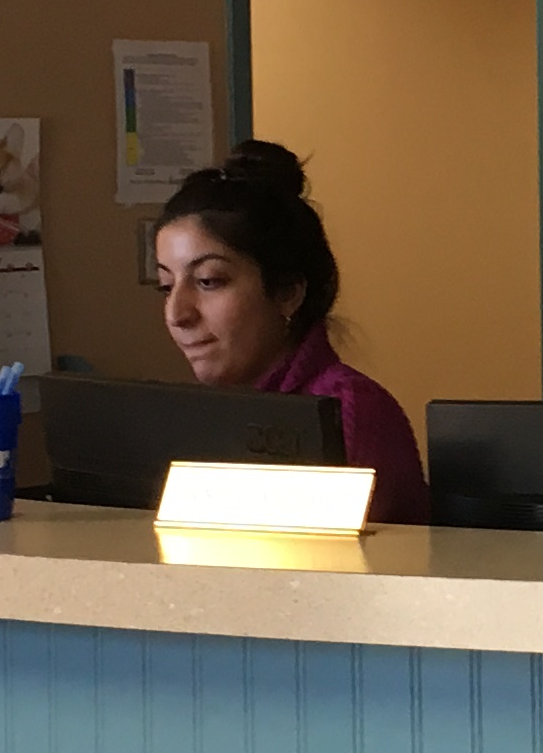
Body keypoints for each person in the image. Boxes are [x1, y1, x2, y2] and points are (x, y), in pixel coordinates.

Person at [149, 141, 428, 524]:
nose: (177, 313)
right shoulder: (205, 416)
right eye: (166, 286)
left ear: (287, 293)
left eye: (209, 281)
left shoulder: (348, 410)